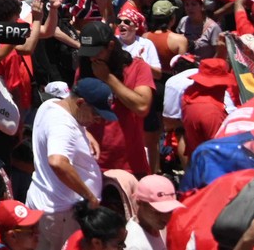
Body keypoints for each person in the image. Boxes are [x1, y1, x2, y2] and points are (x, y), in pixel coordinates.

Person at [26, 79, 114, 250]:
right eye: (96, 114)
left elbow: (67, 116)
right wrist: (89, 196)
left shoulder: (52, 104)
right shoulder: (63, 125)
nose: (98, 120)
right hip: (59, 215)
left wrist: (84, 133)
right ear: (80, 102)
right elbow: (57, 162)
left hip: (48, 205)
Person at [122, 176, 180, 250]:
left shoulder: (157, 228)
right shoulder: (134, 244)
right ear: (139, 202)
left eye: (169, 211)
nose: (165, 218)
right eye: (158, 212)